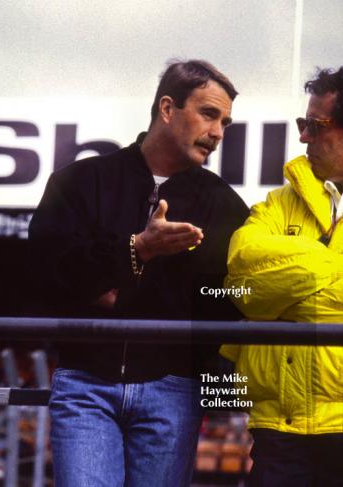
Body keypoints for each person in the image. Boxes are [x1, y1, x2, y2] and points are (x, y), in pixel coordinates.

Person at [29, 59, 248, 487]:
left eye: (225, 122)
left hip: (175, 391)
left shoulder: (224, 205)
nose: (218, 133)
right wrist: (138, 248)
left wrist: (113, 281)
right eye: (208, 114)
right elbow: (50, 271)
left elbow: (228, 302)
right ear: (167, 108)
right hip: (85, 385)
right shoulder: (78, 181)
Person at [221, 67, 343, 486]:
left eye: (315, 124)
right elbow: (241, 277)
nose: (304, 136)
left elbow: (263, 286)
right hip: (279, 429)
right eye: (302, 124)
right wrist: (329, 266)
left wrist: (286, 291)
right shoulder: (278, 201)